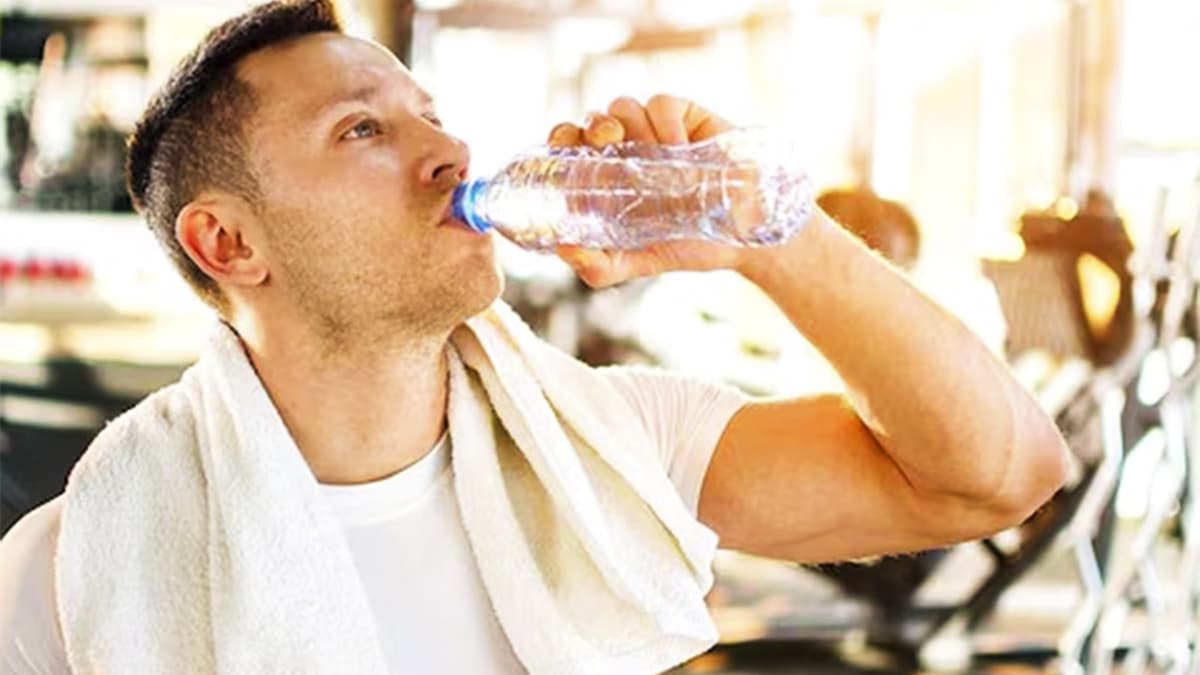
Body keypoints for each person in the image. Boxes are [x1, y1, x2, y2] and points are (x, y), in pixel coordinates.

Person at [0, 0, 1069, 672]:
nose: (449, 150)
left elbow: (998, 476)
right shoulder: (74, 567)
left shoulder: (617, 447)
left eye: (429, 113)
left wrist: (765, 230)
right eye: (362, 128)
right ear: (227, 242)